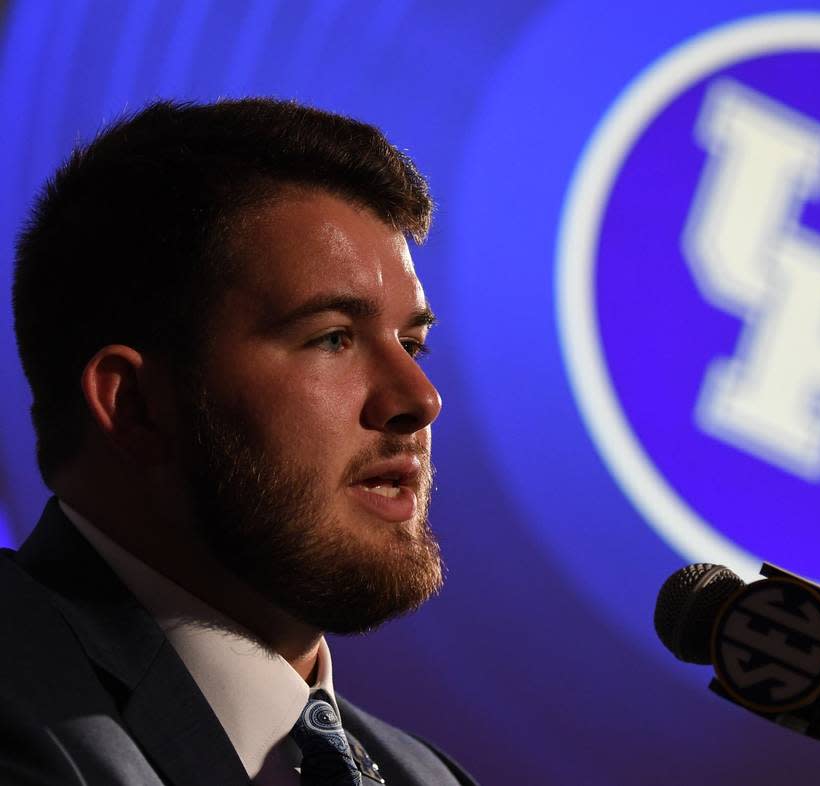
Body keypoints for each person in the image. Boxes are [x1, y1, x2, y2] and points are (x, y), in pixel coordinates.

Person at [0, 98, 478, 785]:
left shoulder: (428, 776)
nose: (420, 401)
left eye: (412, 344)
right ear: (133, 405)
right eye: (332, 338)